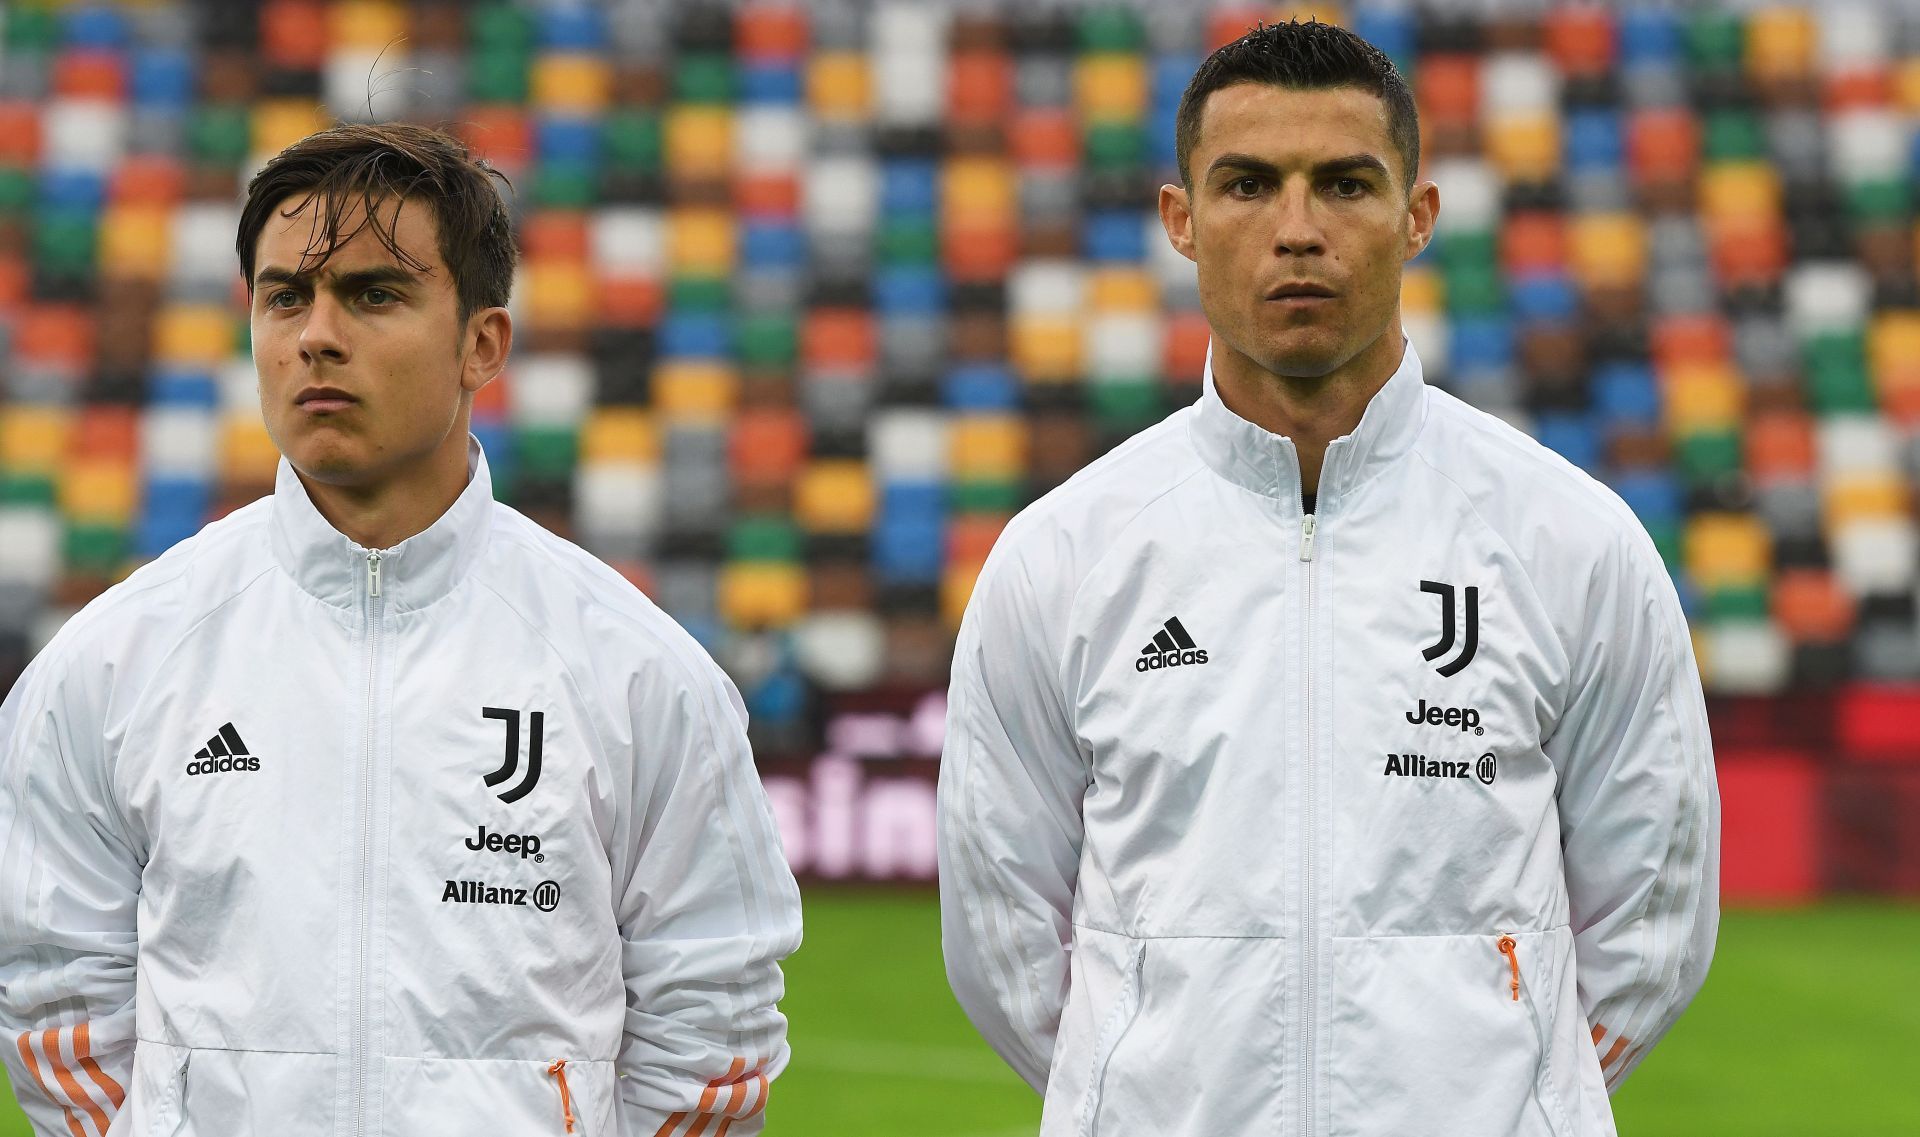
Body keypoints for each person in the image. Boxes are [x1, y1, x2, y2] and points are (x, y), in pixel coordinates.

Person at [938, 20, 1717, 1137]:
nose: (1296, 230)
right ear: (1181, 222)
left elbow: (1657, 918)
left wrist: (1519, 1103)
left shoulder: (1569, 540)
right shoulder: (1065, 555)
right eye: (1248, 185)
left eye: (1344, 184)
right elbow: (999, 927)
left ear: (1416, 219)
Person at [0, 122, 801, 1137]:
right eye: (285, 295)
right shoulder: (111, 664)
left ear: (484, 344)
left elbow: (715, 1016)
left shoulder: (638, 673)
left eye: (374, 294)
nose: (315, 334)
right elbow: (50, 988)